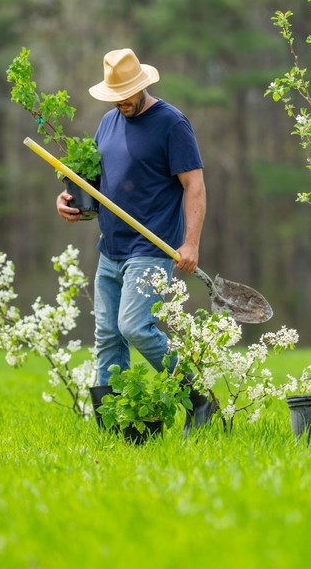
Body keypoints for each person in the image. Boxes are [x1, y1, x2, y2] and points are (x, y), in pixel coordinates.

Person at [56, 48, 214, 433]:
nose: (122, 101)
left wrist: (190, 244)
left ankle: (198, 399)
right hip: (110, 250)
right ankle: (118, 424)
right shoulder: (108, 124)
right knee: (107, 336)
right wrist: (69, 201)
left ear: (143, 85)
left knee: (134, 326)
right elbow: (94, 183)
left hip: (152, 248)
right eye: (115, 95)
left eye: (127, 93)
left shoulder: (171, 124)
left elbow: (194, 186)